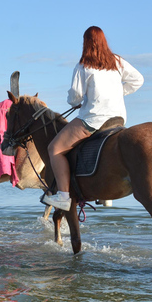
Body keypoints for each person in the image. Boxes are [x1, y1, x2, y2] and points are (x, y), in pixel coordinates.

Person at [42, 26, 144, 211]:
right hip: (118, 118)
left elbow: (75, 96)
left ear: (85, 43)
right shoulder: (117, 61)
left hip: (94, 119)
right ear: (104, 41)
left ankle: (64, 197)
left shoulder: (83, 66)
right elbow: (138, 79)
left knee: (54, 148)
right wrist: (118, 94)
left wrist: (76, 101)